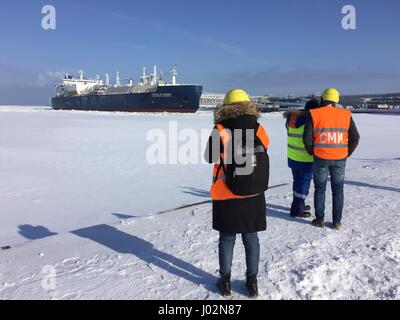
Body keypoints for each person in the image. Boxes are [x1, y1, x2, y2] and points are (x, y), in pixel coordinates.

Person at [204, 89, 270, 298]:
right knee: (251, 238)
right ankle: (252, 282)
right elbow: (265, 148)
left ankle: (225, 282)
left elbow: (209, 157)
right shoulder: (258, 128)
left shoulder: (220, 129)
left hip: (226, 194)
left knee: (227, 238)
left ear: (226, 106)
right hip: (253, 192)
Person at [303, 88, 360, 230]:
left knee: (320, 189)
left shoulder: (314, 113)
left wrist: (312, 152)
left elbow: (307, 138)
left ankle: (320, 220)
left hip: (320, 157)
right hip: (340, 158)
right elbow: (355, 137)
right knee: (338, 190)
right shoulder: (346, 114)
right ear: (336, 100)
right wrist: (347, 153)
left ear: (322, 99)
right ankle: (337, 222)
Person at [285, 99, 320, 218]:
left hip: (292, 157)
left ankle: (299, 204)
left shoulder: (292, 119)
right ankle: (297, 209)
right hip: (306, 159)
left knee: (297, 182)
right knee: (303, 184)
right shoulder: (311, 121)